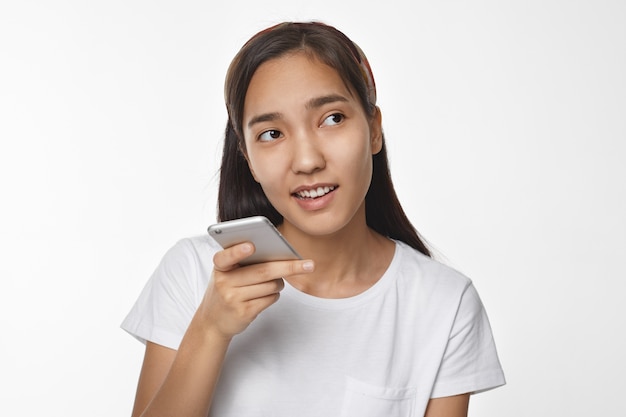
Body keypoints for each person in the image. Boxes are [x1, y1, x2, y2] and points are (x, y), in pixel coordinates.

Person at [122, 21, 505, 417]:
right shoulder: (194, 273)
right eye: (272, 134)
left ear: (374, 130)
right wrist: (210, 329)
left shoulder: (443, 304)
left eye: (332, 119)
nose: (307, 161)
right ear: (248, 159)